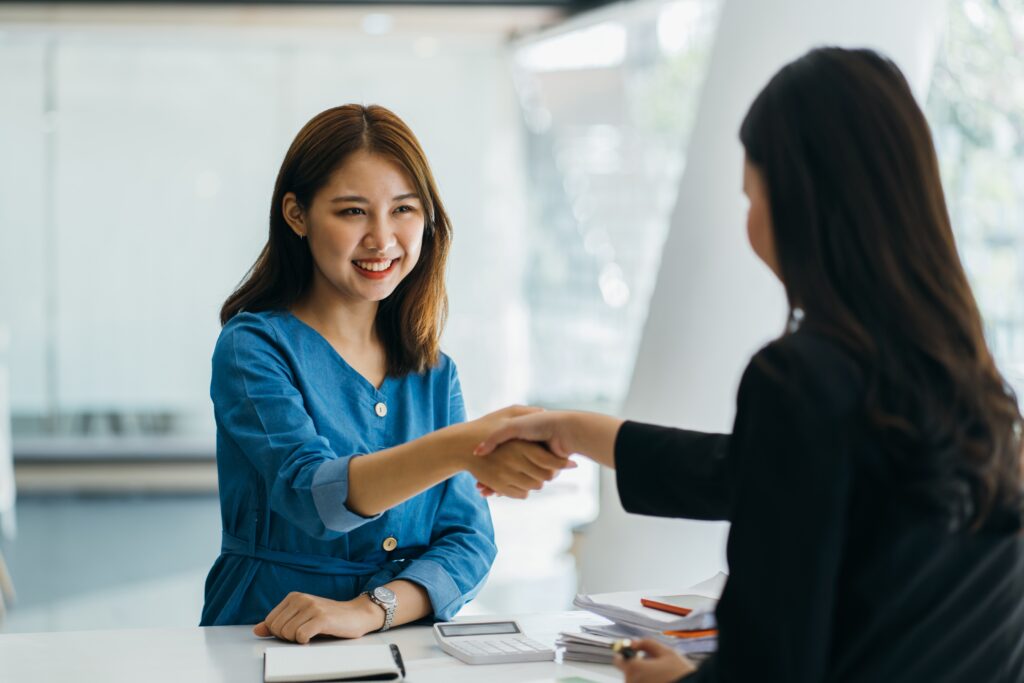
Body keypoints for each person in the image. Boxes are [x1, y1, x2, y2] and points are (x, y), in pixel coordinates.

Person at [475, 48, 1024, 682]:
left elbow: (768, 666)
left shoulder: (800, 378)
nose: (751, 221)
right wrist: (572, 429)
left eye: (751, 196)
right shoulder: (970, 380)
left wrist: (676, 680)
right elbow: (755, 473)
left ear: (798, 202)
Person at [200, 104, 572, 643]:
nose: (382, 238)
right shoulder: (253, 347)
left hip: (403, 639)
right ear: (297, 215)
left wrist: (374, 608)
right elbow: (314, 495)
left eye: (403, 209)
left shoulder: (434, 371)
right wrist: (462, 446)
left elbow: (468, 539)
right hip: (269, 636)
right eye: (353, 212)